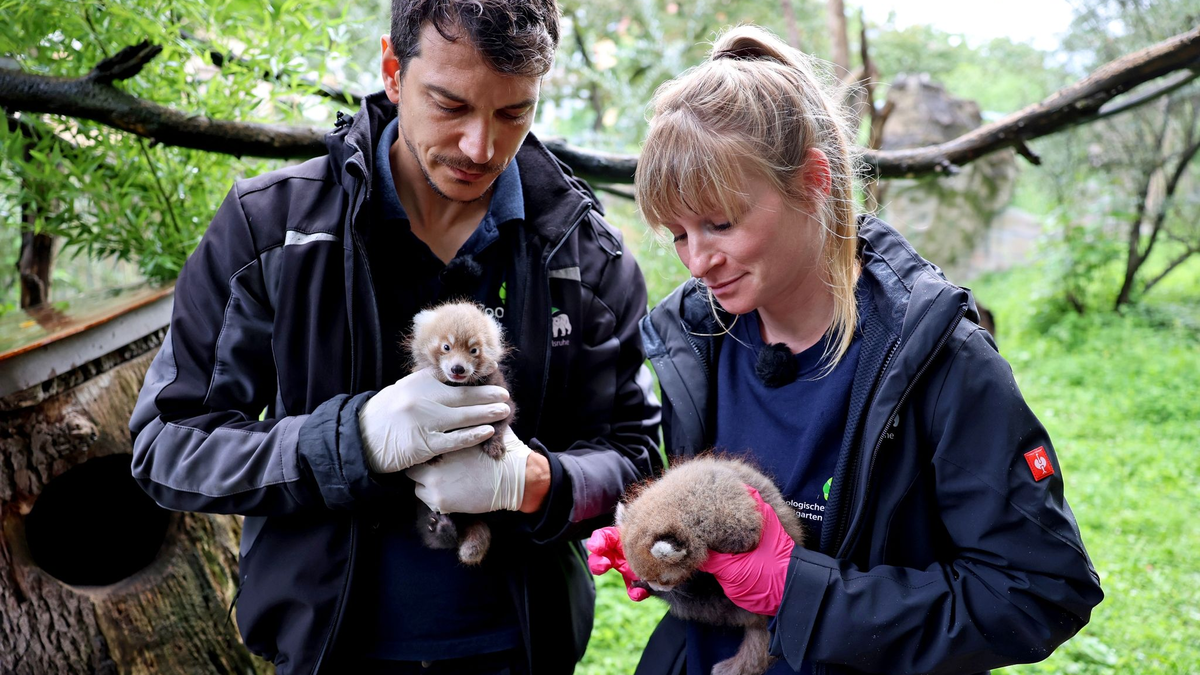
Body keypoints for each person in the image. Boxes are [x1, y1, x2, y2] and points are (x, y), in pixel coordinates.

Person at [128, 1, 662, 673]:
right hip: (330, 653)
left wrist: (534, 482)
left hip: (520, 651)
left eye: (513, 113)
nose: (481, 148)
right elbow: (167, 445)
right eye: (449, 105)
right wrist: (349, 442)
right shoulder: (272, 228)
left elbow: (637, 462)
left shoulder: (583, 252)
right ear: (392, 70)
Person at [589, 24, 1103, 675]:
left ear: (813, 180)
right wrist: (669, 557)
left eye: (720, 223)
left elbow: (1039, 592)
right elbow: (729, 560)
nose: (697, 261)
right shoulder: (695, 340)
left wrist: (798, 590)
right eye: (678, 234)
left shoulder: (944, 363)